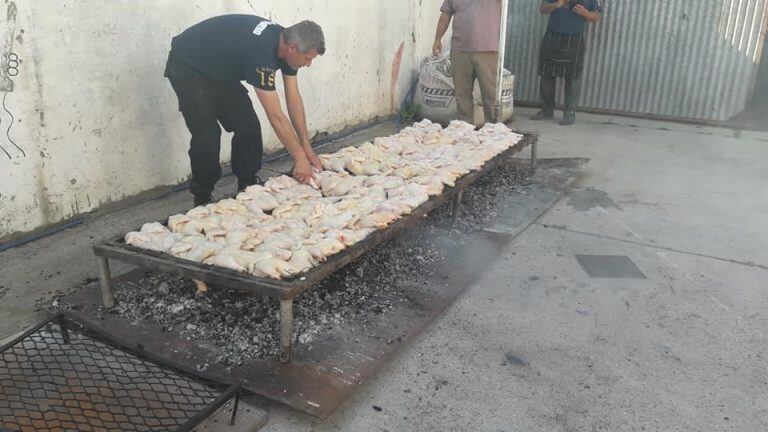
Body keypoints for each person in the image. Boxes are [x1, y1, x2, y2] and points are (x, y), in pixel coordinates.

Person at [164, 15, 325, 206]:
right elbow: (275, 115)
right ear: (293, 48)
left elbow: (293, 99)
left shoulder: (288, 42)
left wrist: (306, 147)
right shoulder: (262, 51)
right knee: (207, 135)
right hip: (190, 67)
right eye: (307, 59)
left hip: (221, 70)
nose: (308, 64)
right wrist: (299, 157)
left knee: (247, 126)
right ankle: (202, 196)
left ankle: (247, 184)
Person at [531, 0, 602, 126]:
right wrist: (558, 4)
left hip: (574, 39)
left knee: (573, 77)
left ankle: (569, 113)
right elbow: (542, 9)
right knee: (547, 74)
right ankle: (547, 110)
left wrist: (585, 13)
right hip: (552, 36)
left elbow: (596, 17)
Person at [432, 0, 501, 125]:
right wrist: (437, 39)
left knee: (490, 93)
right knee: (462, 94)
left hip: (487, 50)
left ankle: (493, 128)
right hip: (460, 49)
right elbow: (445, 15)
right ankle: (465, 128)